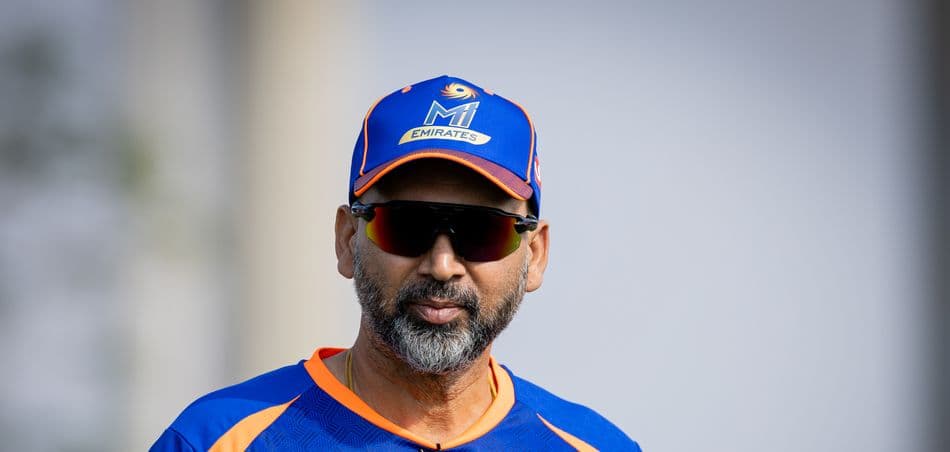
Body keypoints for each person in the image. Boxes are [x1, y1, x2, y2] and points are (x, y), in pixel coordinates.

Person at [151, 75, 640, 451]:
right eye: (406, 225)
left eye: (482, 231)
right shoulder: (217, 439)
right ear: (347, 239)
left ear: (534, 255)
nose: (442, 265)